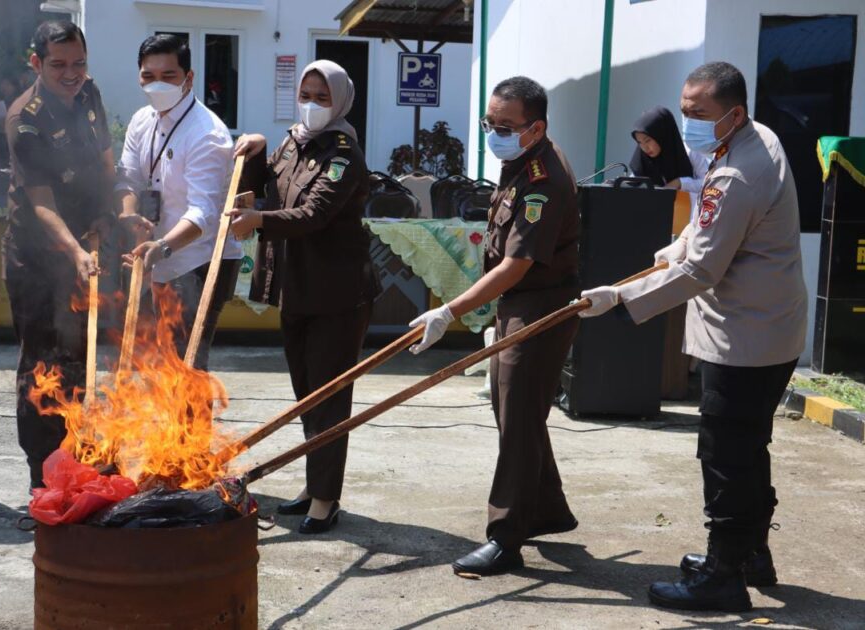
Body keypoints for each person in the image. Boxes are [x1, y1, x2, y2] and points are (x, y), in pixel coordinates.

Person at [579, 62, 808, 612]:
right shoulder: (758, 140)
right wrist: (680, 243)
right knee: (749, 447)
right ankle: (751, 553)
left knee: (725, 454)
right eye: (684, 111)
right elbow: (711, 224)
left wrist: (622, 298)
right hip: (773, 328)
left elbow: (703, 271)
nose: (689, 125)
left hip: (743, 336)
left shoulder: (737, 173)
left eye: (699, 115)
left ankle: (723, 577)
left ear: (734, 112)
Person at [408, 76, 581, 576]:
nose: (495, 133)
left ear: (536, 127)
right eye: (491, 123)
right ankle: (548, 508)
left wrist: (449, 310)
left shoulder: (542, 178)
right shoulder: (519, 163)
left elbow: (516, 265)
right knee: (516, 412)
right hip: (519, 304)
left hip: (541, 305)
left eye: (506, 125)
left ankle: (506, 536)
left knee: (519, 416)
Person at [229, 60, 379, 534]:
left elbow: (314, 214)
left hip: (337, 293)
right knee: (306, 397)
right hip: (296, 288)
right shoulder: (293, 142)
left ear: (340, 101)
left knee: (329, 397)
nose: (312, 104)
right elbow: (266, 184)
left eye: (322, 97)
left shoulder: (343, 153)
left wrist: (258, 222)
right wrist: (254, 148)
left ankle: (326, 501)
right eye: (306, 94)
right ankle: (315, 487)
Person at [3, 20, 116, 490]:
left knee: (82, 361)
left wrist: (108, 213)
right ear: (36, 63)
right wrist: (74, 251)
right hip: (37, 260)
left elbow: (107, 159)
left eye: (79, 63)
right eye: (58, 65)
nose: (72, 74)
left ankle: (82, 467)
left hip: (85, 246)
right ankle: (42, 481)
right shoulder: (24, 118)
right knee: (41, 370)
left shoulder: (89, 94)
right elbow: (42, 203)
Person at [116, 34, 241, 371]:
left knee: (185, 370)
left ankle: (191, 426)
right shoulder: (142, 120)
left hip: (196, 262)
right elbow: (127, 177)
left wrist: (163, 247)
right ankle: (164, 426)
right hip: (153, 257)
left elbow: (203, 215)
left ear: (189, 78)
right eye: (148, 76)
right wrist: (129, 216)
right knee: (153, 365)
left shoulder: (207, 133)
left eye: (168, 76)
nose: (157, 85)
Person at [630, 105, 710, 222]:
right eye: (640, 143)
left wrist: (680, 183)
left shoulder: (690, 153)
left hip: (689, 224)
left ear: (662, 134)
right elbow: (633, 187)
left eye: (648, 140)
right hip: (655, 223)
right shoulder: (642, 161)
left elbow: (709, 186)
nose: (644, 147)